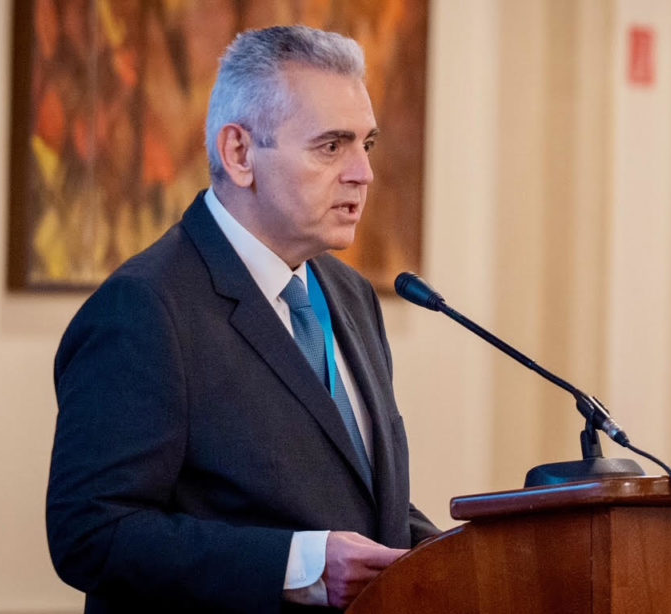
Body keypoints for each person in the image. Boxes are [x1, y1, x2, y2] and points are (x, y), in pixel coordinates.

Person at [46, 25, 440, 613]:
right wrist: (301, 567)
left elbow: (364, 501)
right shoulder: (144, 308)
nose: (363, 173)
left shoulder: (351, 295)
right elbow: (91, 532)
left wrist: (466, 561)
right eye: (332, 146)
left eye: (367, 144)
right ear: (239, 153)